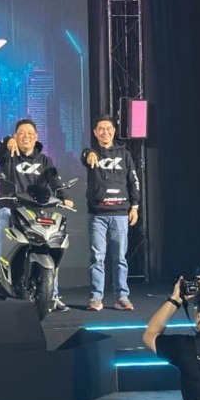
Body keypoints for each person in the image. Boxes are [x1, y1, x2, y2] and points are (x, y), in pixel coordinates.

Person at [0, 119, 74, 312]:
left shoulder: (45, 161)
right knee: (2, 221)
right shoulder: (8, 155)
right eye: (21, 133)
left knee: (50, 245)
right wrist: (7, 141)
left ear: (36, 137)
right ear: (15, 136)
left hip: (37, 209)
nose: (26, 136)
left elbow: (54, 180)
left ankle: (53, 296)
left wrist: (64, 197)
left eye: (30, 133)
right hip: (11, 206)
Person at [81, 115, 141, 312]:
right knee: (97, 258)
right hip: (97, 214)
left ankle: (121, 296)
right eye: (101, 129)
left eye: (108, 129)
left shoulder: (124, 154)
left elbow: (133, 180)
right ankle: (96, 298)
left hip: (120, 213)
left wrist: (135, 206)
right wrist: (89, 154)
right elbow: (85, 156)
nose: (105, 132)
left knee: (120, 258)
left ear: (114, 131)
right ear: (95, 132)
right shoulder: (90, 153)